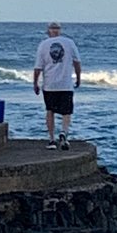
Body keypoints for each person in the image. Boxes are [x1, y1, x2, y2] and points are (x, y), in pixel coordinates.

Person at [33, 21, 81, 150]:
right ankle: (64, 132)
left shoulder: (43, 45)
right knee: (67, 112)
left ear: (49, 31)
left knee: (50, 111)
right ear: (60, 30)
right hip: (65, 84)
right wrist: (78, 78)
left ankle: (51, 139)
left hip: (50, 84)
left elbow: (38, 67)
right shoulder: (69, 43)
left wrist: (35, 83)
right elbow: (77, 62)